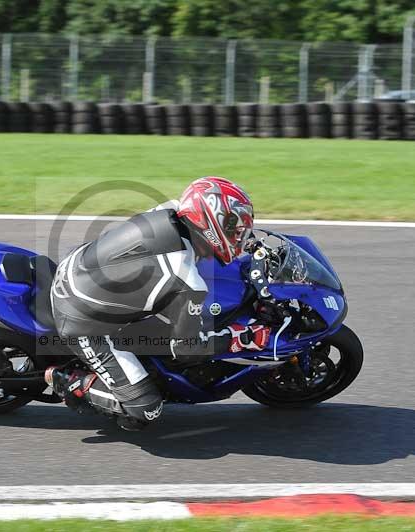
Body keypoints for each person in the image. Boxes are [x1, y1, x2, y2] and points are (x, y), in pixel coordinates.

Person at [45, 177, 272, 430]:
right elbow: (188, 350)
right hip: (82, 322)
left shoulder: (173, 210)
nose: (239, 237)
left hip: (81, 265)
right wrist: (238, 338)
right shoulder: (186, 279)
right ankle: (68, 380)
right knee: (145, 410)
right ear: (211, 222)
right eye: (234, 230)